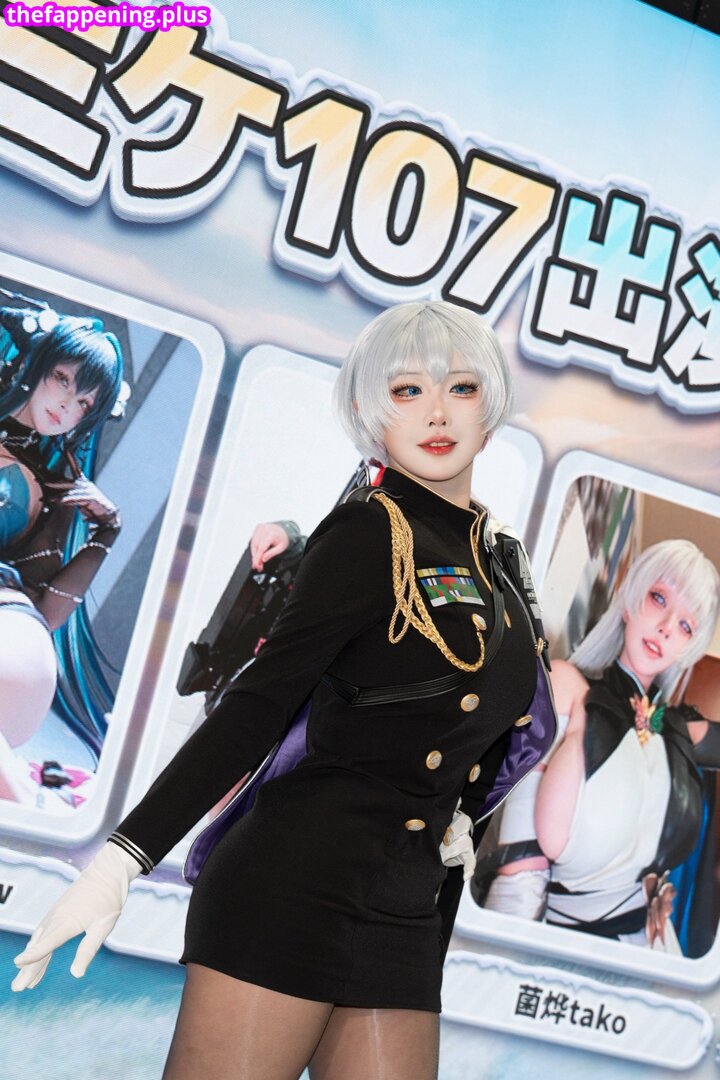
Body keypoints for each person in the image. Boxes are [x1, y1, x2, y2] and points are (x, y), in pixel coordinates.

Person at [12, 301, 556, 1080]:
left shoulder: (500, 561)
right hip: (290, 890)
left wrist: (464, 813)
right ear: (372, 410)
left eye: (460, 387)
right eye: (407, 390)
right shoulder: (367, 532)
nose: (437, 412)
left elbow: (503, 721)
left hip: (405, 910)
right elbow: (256, 706)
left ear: (489, 406)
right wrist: (122, 860)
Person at [482, 539, 720, 952]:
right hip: (559, 948)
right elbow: (520, 872)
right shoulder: (567, 688)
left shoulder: (678, 731)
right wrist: (501, 963)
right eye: (659, 598)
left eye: (686, 625)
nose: (666, 627)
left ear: (689, 647)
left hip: (656, 953)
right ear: (629, 600)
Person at [0, 296, 124, 803]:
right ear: (39, 365)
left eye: (85, 404)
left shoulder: (56, 488)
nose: (67, 406)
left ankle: (36, 808)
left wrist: (107, 532)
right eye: (62, 379)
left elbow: (47, 613)